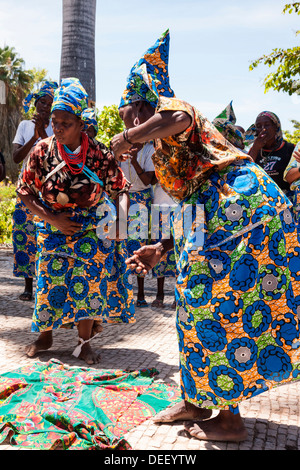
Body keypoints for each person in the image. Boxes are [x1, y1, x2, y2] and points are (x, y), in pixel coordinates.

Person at [110, 30, 300, 442]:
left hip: (245, 216)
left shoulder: (174, 113)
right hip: (219, 219)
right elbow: (196, 201)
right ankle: (197, 400)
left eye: (125, 113)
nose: (122, 119)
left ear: (141, 105)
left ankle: (229, 419)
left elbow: (178, 116)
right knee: (193, 305)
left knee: (221, 308)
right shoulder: (168, 145)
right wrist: (160, 248)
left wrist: (126, 139)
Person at [17, 77, 131, 365]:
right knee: (49, 281)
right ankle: (45, 336)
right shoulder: (43, 150)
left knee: (89, 282)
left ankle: (84, 343)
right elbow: (24, 191)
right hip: (53, 225)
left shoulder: (99, 153)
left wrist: (121, 221)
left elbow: (121, 190)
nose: (57, 127)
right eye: (55, 121)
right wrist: (52, 219)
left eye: (65, 122)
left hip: (92, 228)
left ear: (81, 124)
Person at [12, 81, 58, 301]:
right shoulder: (23, 126)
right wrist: (34, 135)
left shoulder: (57, 127)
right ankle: (28, 286)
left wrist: (43, 133)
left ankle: (45, 283)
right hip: (25, 188)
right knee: (24, 236)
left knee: (46, 236)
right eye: (42, 102)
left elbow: (55, 157)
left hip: (47, 190)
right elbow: (16, 157)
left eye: (49, 103)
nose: (44, 107)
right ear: (36, 103)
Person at [248, 111, 295, 200]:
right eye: (258, 126)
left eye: (267, 125)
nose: (263, 129)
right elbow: (247, 174)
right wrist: (255, 148)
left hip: (286, 200)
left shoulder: (290, 148)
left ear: (275, 127)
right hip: (261, 202)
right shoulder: (253, 151)